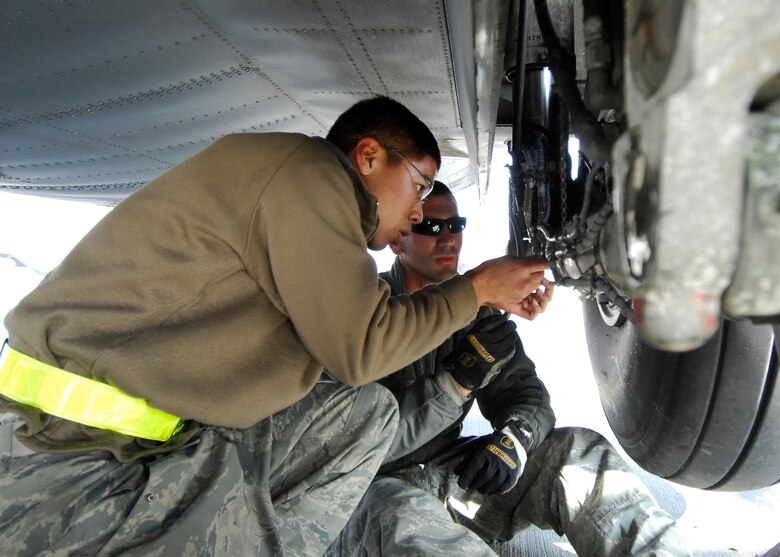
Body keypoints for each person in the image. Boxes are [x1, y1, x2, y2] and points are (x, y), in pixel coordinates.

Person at [0, 97, 549, 555]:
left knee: (365, 416)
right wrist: (474, 298)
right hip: (63, 450)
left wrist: (511, 421)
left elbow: (517, 394)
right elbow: (362, 350)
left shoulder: (320, 239)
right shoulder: (311, 176)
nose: (419, 213)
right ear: (368, 157)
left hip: (129, 444)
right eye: (421, 188)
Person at [326, 181, 690, 557]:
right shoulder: (364, 314)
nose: (449, 238)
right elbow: (352, 449)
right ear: (398, 242)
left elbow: (525, 394)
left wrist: (514, 439)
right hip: (371, 491)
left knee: (578, 452)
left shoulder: (475, 314)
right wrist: (455, 382)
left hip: (455, 476)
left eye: (456, 224)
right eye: (432, 228)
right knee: (406, 523)